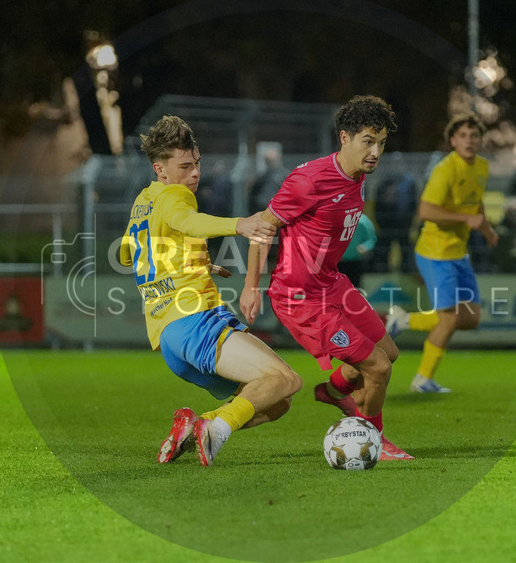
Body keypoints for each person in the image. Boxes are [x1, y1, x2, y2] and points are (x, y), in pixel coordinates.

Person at [121, 115, 302, 466]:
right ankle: (212, 427)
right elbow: (186, 221)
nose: (195, 173)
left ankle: (196, 427)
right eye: (185, 166)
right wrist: (240, 225)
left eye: (197, 163)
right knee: (286, 379)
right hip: (194, 322)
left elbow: (131, 253)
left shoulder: (144, 201)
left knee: (276, 401)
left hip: (168, 339)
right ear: (160, 169)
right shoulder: (176, 196)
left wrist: (194, 264)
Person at [240, 95, 413, 460]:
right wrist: (251, 286)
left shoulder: (359, 177)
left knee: (389, 353)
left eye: (381, 143)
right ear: (344, 138)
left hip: (332, 283)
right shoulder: (309, 180)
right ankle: (373, 443)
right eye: (368, 141)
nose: (376, 152)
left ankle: (333, 392)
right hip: (298, 296)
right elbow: (262, 225)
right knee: (377, 368)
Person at [384, 112, 499, 393]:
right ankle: (422, 380)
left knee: (470, 317)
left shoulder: (481, 166)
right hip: (435, 253)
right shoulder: (446, 170)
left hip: (458, 253)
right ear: (452, 141)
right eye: (463, 136)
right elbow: (425, 211)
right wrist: (465, 220)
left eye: (474, 136)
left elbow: (475, 203)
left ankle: (404, 320)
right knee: (447, 319)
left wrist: (486, 230)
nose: (469, 141)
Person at [338, 212, 377, 287]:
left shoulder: (363, 221)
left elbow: (371, 239)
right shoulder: (339, 219)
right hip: (339, 261)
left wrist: (366, 246)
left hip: (355, 261)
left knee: (355, 286)